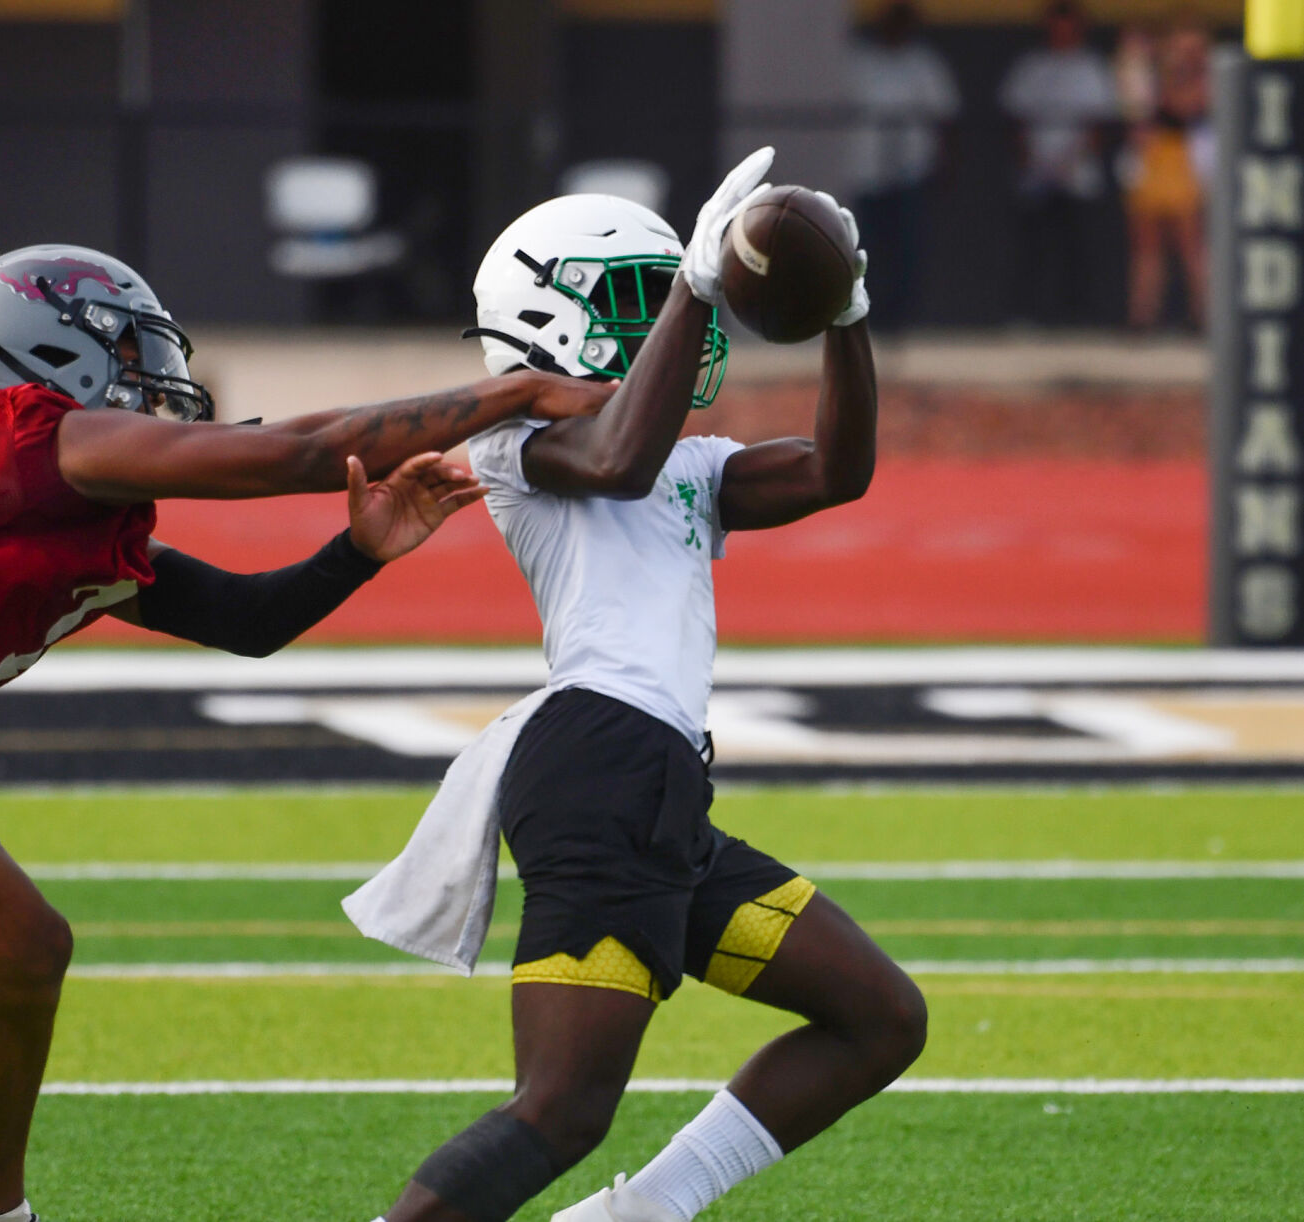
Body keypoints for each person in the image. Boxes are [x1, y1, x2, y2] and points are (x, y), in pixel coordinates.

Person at [0, 243, 611, 1222]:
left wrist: (358, 551)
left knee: (21, 950)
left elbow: (247, 623)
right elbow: (295, 453)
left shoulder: (75, 504)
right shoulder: (35, 434)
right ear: (45, 352)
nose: (157, 379)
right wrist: (518, 389)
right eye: (130, 352)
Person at [355, 149, 925, 1222]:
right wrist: (695, 286)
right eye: (625, 294)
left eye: (662, 292)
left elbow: (834, 471)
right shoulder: (511, 436)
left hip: (656, 791)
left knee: (877, 1016)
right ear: (542, 309)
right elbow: (613, 456)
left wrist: (845, 309)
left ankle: (638, 1213)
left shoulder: (687, 462)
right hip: (598, 766)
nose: (666, 315)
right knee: (558, 1109)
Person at [999, 0, 1120, 325]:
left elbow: (1098, 125)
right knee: (1033, 250)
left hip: (1077, 175)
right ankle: (1024, 317)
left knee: (1078, 251)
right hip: (1035, 175)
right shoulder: (1031, 66)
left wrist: (1070, 162)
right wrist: (1034, 162)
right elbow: (1016, 120)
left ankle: (1078, 319)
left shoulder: (1092, 66)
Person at [848, 0, 960, 329]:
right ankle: (865, 316)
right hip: (867, 172)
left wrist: (946, 162)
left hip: (910, 172)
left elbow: (946, 117)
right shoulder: (860, 61)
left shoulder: (924, 63)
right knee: (866, 251)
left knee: (907, 253)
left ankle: (903, 321)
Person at [1116, 18, 1211, 330]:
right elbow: (1135, 109)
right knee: (1147, 246)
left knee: (1191, 244)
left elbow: (1187, 106)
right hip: (1151, 162)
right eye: (1180, 46)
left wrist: (1167, 77)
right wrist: (1141, 61)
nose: (1184, 53)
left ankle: (1204, 317)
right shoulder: (1148, 71)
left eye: (1192, 48)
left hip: (1184, 160)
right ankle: (1141, 318)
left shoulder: (1206, 77)